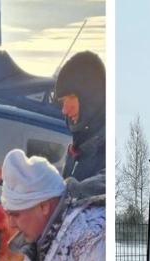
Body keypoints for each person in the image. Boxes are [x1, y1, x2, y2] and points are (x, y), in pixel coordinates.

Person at [56, 51, 106, 181]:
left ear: (92, 96)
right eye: (62, 101)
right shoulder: (78, 147)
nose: (65, 109)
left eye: (72, 97)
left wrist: (73, 190)